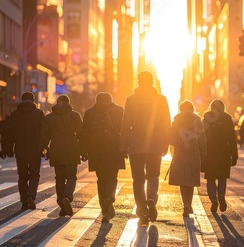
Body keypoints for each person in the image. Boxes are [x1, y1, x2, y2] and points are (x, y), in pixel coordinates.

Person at [120, 71, 171, 225]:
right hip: (155, 144)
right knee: (153, 175)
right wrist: (166, 143)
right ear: (152, 81)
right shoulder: (161, 99)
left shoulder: (131, 100)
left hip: (136, 145)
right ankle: (151, 199)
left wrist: (123, 146)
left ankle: (142, 209)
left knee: (138, 179)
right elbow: (166, 123)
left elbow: (126, 124)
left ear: (138, 81)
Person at [79, 92, 125, 223]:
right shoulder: (118, 110)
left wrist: (83, 151)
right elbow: (125, 129)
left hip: (96, 151)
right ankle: (110, 197)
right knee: (112, 176)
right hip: (114, 149)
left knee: (101, 179)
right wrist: (125, 148)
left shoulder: (90, 112)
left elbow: (84, 133)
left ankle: (104, 210)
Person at [40, 94, 82, 216]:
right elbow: (81, 133)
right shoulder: (75, 115)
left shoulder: (49, 117)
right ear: (68, 103)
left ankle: (62, 204)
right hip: (72, 149)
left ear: (57, 103)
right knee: (71, 176)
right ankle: (67, 197)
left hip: (56, 149)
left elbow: (44, 135)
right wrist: (84, 150)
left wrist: (43, 148)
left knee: (59, 177)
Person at [4, 92, 44, 210]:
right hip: (35, 150)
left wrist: (7, 149)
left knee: (22, 176)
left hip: (20, 150)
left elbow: (9, 134)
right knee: (34, 174)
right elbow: (44, 133)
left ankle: (24, 201)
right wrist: (45, 149)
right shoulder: (39, 113)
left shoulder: (15, 114)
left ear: (22, 100)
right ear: (33, 100)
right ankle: (31, 195)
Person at [168, 100, 207, 216]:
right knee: (190, 180)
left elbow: (171, 139)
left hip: (180, 153)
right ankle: (188, 204)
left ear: (181, 109)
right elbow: (202, 139)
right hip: (193, 153)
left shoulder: (176, 120)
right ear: (192, 108)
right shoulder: (198, 120)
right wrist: (203, 154)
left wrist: (174, 150)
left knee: (181, 180)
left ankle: (185, 204)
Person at [201, 99, 238, 213]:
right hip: (224, 152)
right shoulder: (227, 119)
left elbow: (202, 138)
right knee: (222, 176)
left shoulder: (206, 119)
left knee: (210, 178)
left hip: (210, 153)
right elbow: (232, 138)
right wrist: (234, 155)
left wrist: (201, 154)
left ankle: (213, 200)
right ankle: (221, 194)